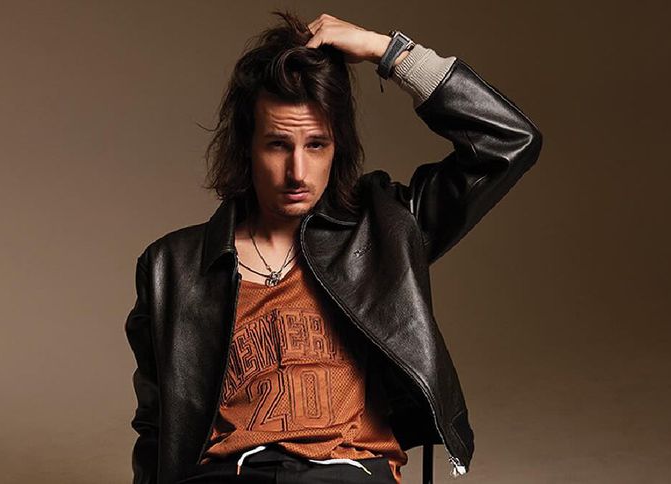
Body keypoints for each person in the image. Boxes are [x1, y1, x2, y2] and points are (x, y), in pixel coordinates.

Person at [125, 9, 542, 484]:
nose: (297, 173)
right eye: (278, 145)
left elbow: (510, 140)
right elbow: (156, 430)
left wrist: (389, 52)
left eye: (316, 145)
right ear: (246, 147)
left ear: (338, 147)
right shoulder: (172, 267)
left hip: (347, 471)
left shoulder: (382, 228)